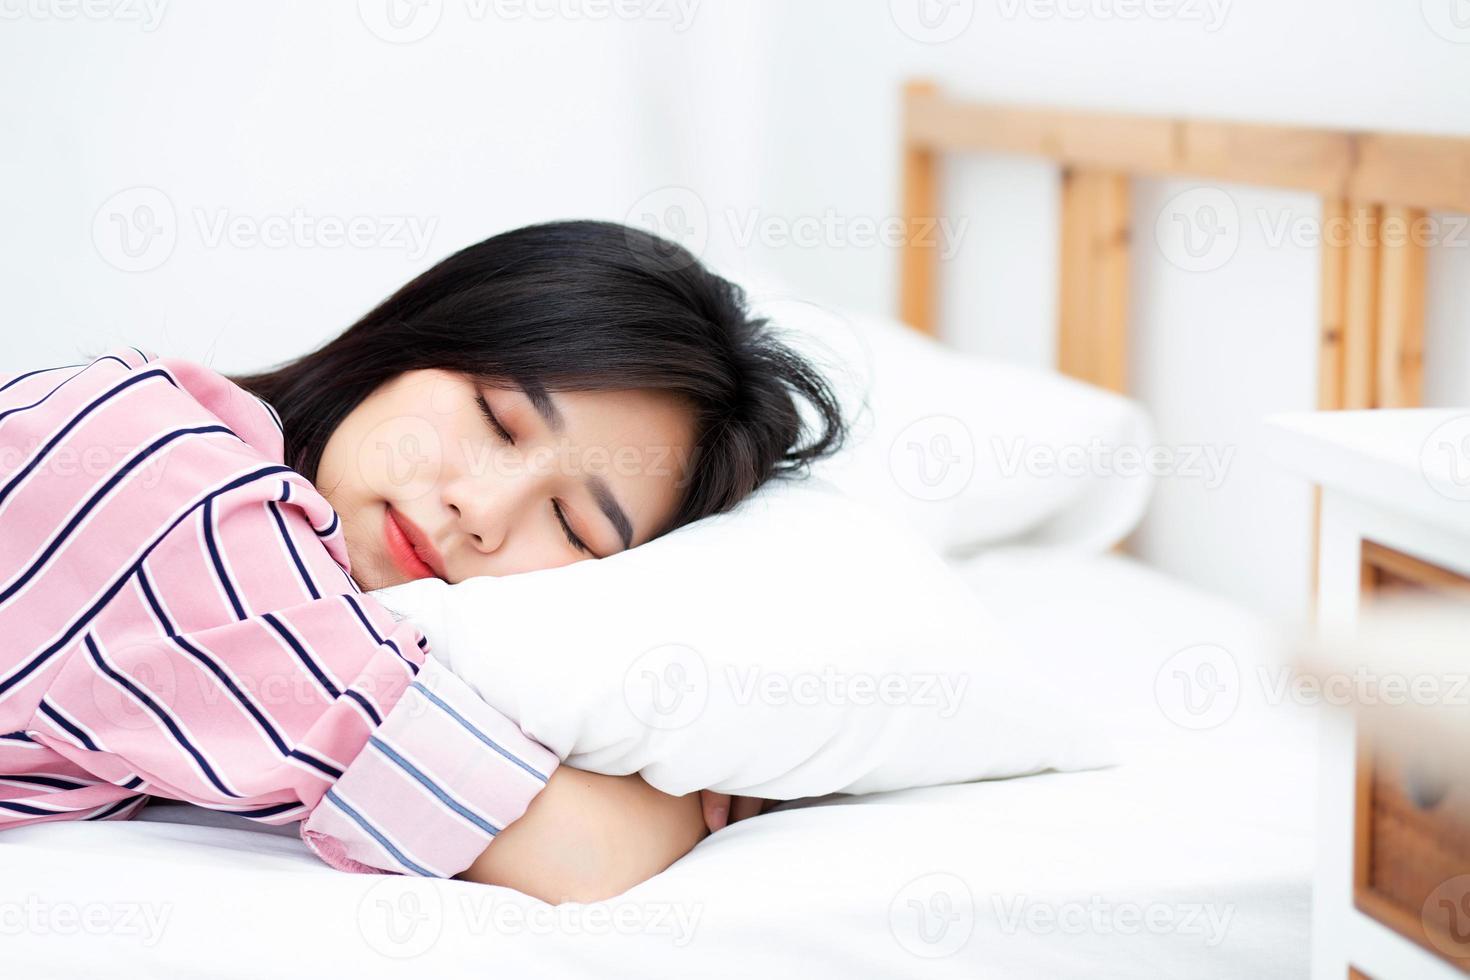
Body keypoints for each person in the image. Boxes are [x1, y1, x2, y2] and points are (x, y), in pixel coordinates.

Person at [0, 220, 847, 903]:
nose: (480, 510)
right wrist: (686, 802)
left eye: (572, 523)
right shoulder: (171, 488)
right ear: (409, 342)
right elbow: (577, 859)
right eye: (497, 419)